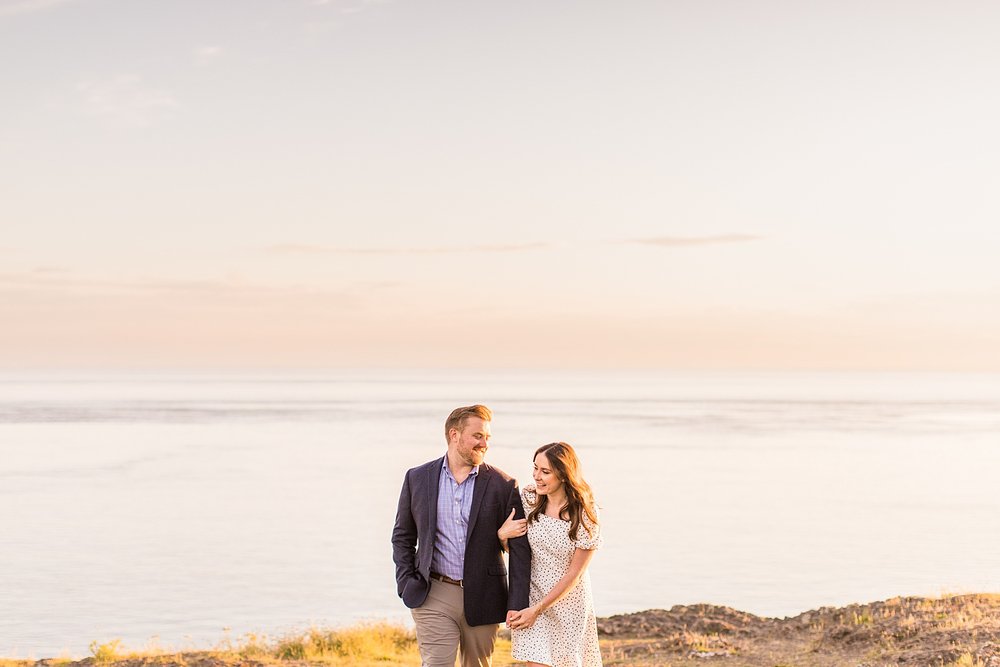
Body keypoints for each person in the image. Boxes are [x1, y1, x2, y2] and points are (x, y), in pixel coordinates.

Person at [392, 404, 531, 667]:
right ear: (454, 435)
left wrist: (518, 602)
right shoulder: (418, 478)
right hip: (433, 592)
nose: (484, 443)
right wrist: (406, 581)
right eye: (478, 436)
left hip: (485, 594)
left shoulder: (503, 485)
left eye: (487, 437)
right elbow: (402, 536)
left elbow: (520, 551)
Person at [502, 442, 603, 667]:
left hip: (568, 603)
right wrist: (502, 536)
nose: (537, 476)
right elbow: (518, 551)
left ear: (564, 475)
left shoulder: (585, 513)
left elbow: (575, 574)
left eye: (545, 472)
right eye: (535, 468)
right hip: (532, 599)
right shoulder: (529, 498)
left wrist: (537, 610)